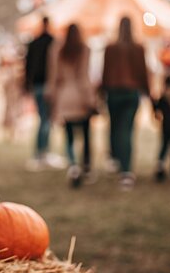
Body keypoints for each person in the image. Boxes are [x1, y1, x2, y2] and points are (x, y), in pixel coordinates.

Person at [102, 17, 151, 190]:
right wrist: (148, 92)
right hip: (130, 93)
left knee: (117, 129)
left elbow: (105, 72)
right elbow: (142, 72)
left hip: (115, 92)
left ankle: (120, 163)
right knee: (126, 130)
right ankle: (125, 169)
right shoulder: (137, 48)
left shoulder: (111, 48)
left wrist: (103, 92)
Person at [47, 24, 97, 187]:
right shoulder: (84, 49)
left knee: (69, 134)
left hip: (64, 96)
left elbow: (53, 76)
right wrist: (90, 98)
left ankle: (73, 165)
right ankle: (86, 166)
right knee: (85, 133)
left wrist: (53, 97)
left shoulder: (57, 50)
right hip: (80, 96)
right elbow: (83, 76)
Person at [24, 16, 59, 170]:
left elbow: (28, 66)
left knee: (43, 118)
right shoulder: (52, 43)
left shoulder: (34, 43)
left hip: (37, 85)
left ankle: (43, 151)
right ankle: (41, 153)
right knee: (45, 120)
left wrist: (27, 84)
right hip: (47, 85)